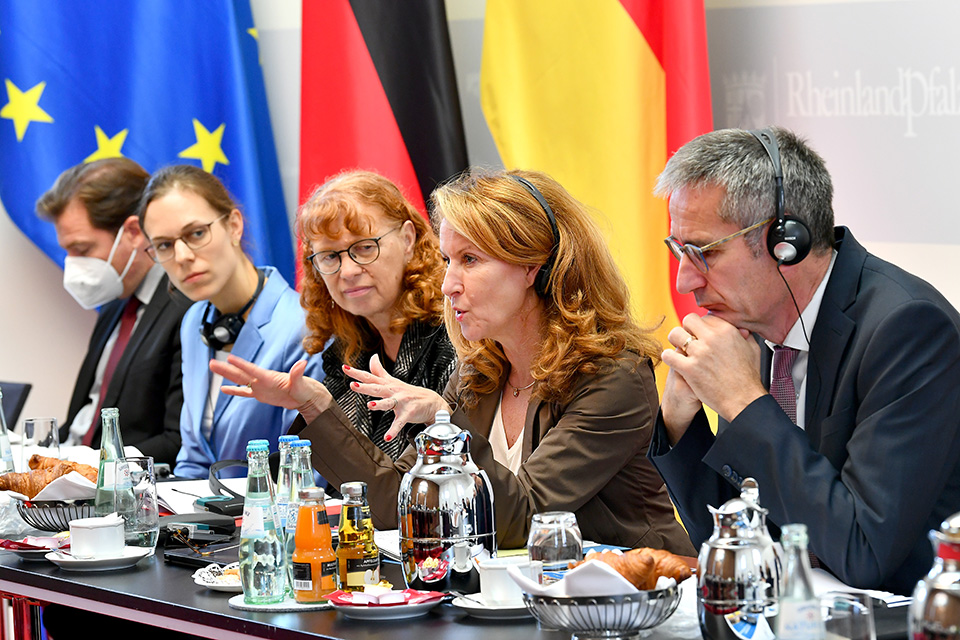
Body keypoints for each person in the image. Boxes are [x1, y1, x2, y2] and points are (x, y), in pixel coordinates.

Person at [212, 168, 696, 554]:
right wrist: (317, 408)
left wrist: (446, 422)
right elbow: (395, 504)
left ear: (532, 264)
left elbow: (523, 519)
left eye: (470, 260)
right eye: (447, 261)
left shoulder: (614, 375)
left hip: (633, 607)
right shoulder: (482, 370)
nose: (448, 286)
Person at [648, 126, 960, 594]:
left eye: (704, 252)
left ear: (785, 241)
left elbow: (862, 550)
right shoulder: (752, 329)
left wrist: (745, 403)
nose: (685, 281)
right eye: (678, 251)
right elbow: (732, 545)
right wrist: (679, 424)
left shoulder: (908, 330)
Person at [137, 164, 324, 479]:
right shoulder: (195, 319)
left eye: (196, 233)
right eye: (165, 245)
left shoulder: (301, 326)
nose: (182, 256)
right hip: (206, 519)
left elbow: (304, 475)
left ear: (234, 226)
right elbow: (194, 458)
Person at [36, 158, 189, 465]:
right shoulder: (115, 305)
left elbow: (178, 441)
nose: (73, 265)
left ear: (133, 232)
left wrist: (92, 465)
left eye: (82, 249)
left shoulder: (186, 308)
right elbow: (85, 419)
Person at [295, 170, 456, 460]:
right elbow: (340, 472)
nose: (348, 271)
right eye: (330, 256)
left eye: (365, 248)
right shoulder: (347, 351)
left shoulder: (455, 333)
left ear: (408, 240)